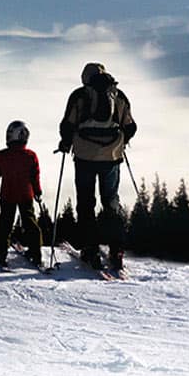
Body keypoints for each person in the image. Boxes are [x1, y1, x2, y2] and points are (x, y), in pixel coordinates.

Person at [57, 62, 138, 272]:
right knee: (111, 201)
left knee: (86, 203)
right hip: (111, 156)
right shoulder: (118, 95)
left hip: (84, 156)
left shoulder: (80, 95)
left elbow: (67, 125)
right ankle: (116, 249)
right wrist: (120, 142)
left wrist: (66, 143)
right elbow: (131, 126)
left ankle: (90, 249)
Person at [0, 120, 43, 270]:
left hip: (8, 195)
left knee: (5, 224)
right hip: (26, 195)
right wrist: (38, 192)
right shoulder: (30, 156)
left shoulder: (3, 155)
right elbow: (35, 176)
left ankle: (1, 253)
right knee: (30, 223)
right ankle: (36, 253)